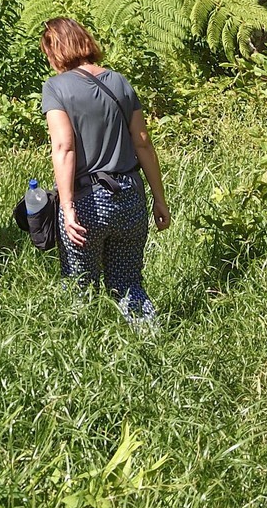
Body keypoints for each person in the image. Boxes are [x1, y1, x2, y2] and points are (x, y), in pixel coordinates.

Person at [40, 16, 171, 323]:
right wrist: (159, 199)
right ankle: (151, 345)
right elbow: (143, 144)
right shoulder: (119, 81)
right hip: (129, 197)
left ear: (55, 50)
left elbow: (64, 148)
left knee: (79, 288)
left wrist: (68, 208)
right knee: (128, 285)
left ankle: (80, 357)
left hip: (87, 201)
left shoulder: (56, 88)